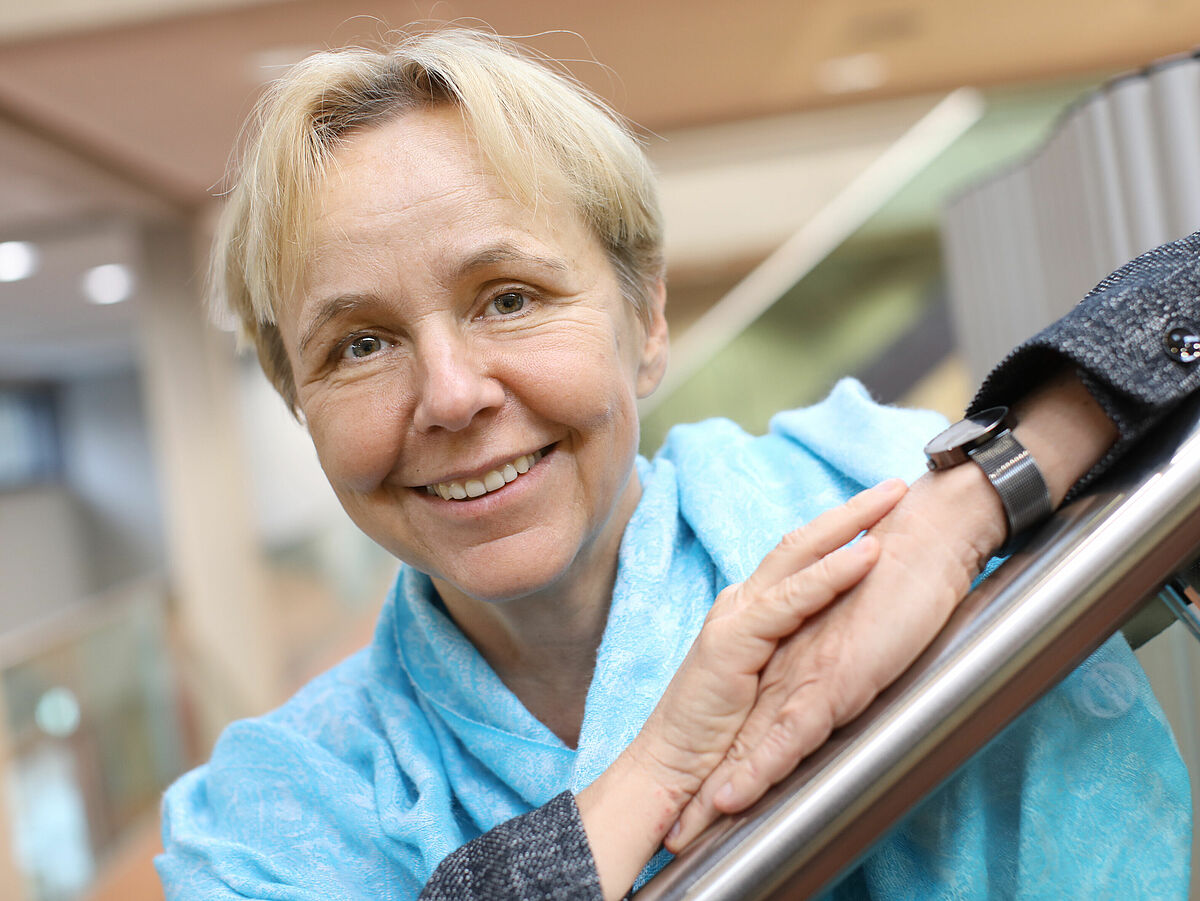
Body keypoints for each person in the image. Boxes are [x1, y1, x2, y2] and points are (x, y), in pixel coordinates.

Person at [156, 28, 1193, 900]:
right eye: (360, 345)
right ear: (299, 401)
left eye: (508, 296)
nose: (452, 394)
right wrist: (650, 775)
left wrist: (966, 514)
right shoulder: (264, 816)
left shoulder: (877, 489)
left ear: (646, 319)